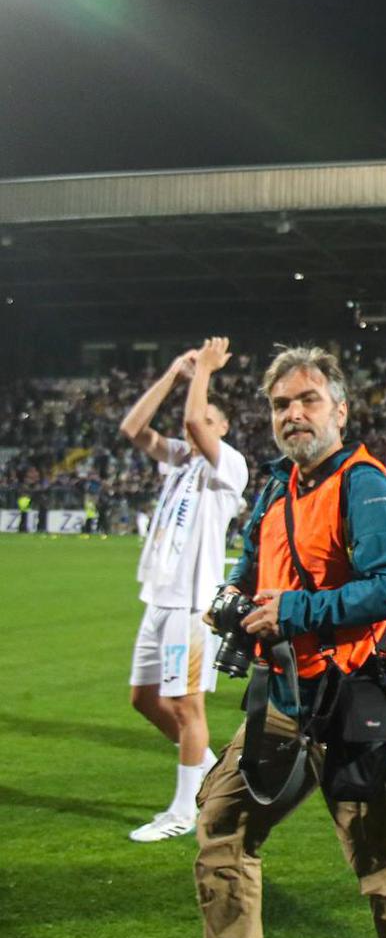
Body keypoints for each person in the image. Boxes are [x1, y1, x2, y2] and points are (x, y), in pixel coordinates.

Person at [147, 347, 386, 938]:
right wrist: (236, 597)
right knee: (221, 830)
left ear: (340, 410)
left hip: (357, 698)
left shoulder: (364, 486)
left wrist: (297, 610)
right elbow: (255, 567)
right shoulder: (277, 488)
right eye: (281, 405)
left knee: (380, 859)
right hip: (281, 696)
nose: (293, 415)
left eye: (308, 400)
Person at [118, 338, 248, 843]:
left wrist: (205, 371)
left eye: (210, 421)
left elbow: (195, 420)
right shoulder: (180, 461)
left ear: (223, 429)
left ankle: (184, 811)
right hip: (159, 599)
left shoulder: (228, 464)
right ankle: (210, 766)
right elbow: (132, 429)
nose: (195, 427)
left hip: (193, 607)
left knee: (187, 707)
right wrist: (174, 374)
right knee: (144, 699)